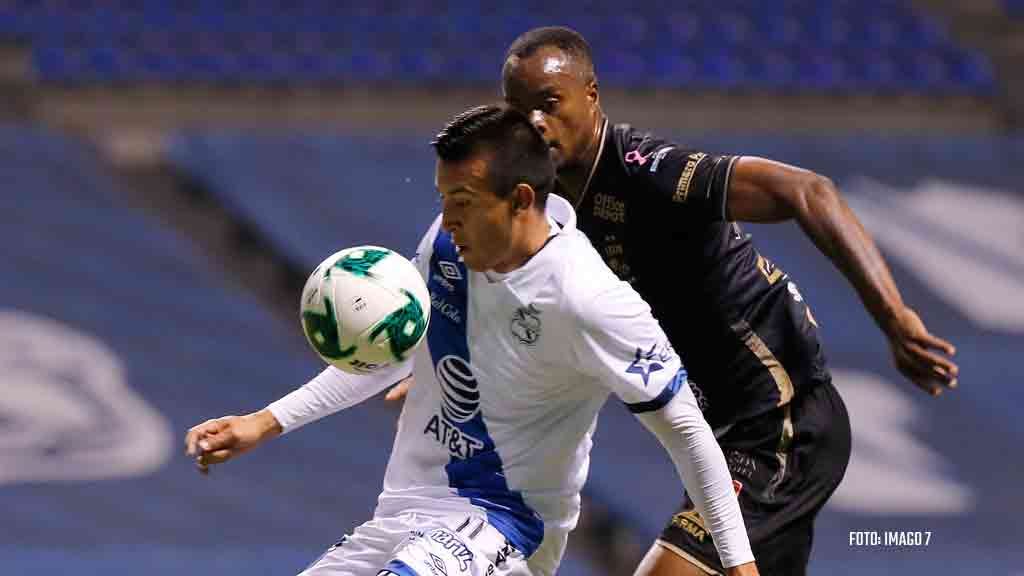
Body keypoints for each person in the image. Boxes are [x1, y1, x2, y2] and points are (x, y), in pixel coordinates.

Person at [184, 106, 759, 576]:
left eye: (462, 203)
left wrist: (740, 567)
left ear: (522, 201)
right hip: (403, 511)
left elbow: (687, 432)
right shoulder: (447, 247)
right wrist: (266, 420)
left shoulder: (588, 299)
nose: (447, 219)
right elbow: (396, 346)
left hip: (506, 525)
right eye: (443, 201)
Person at [496, 26, 959, 576]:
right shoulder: (547, 204)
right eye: (520, 111)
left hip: (781, 424)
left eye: (550, 104)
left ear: (591, 95)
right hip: (723, 436)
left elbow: (807, 191)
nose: (535, 124)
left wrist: (893, 317)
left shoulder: (649, 171)